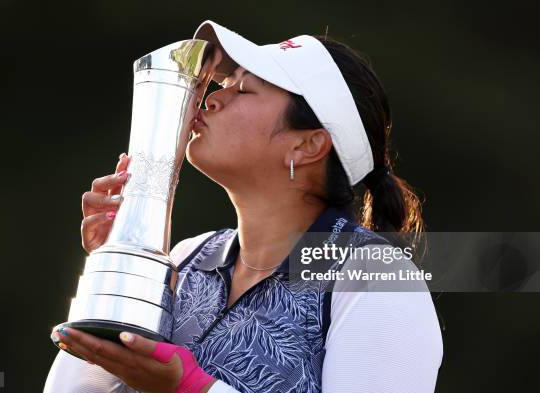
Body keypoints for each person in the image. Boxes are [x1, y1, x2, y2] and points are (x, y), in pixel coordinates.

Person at [44, 20, 443, 393]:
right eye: (226, 83)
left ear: (307, 145)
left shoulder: (378, 281)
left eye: (244, 90)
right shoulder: (185, 259)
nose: (212, 99)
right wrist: (114, 264)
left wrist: (191, 388)